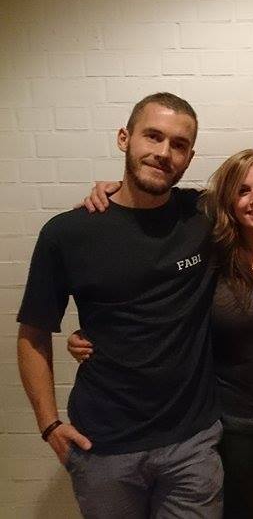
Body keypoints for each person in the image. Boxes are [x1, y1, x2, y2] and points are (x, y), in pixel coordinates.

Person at [70, 149, 253, 518]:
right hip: (226, 421)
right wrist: (98, 336)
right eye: (242, 191)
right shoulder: (209, 255)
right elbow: (156, 305)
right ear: (229, 202)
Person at [16, 92, 223, 518]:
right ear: (124, 138)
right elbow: (33, 334)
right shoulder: (67, 233)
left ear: (189, 158)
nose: (163, 152)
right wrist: (49, 424)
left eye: (179, 144)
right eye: (153, 136)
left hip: (192, 443)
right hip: (103, 447)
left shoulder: (201, 215)